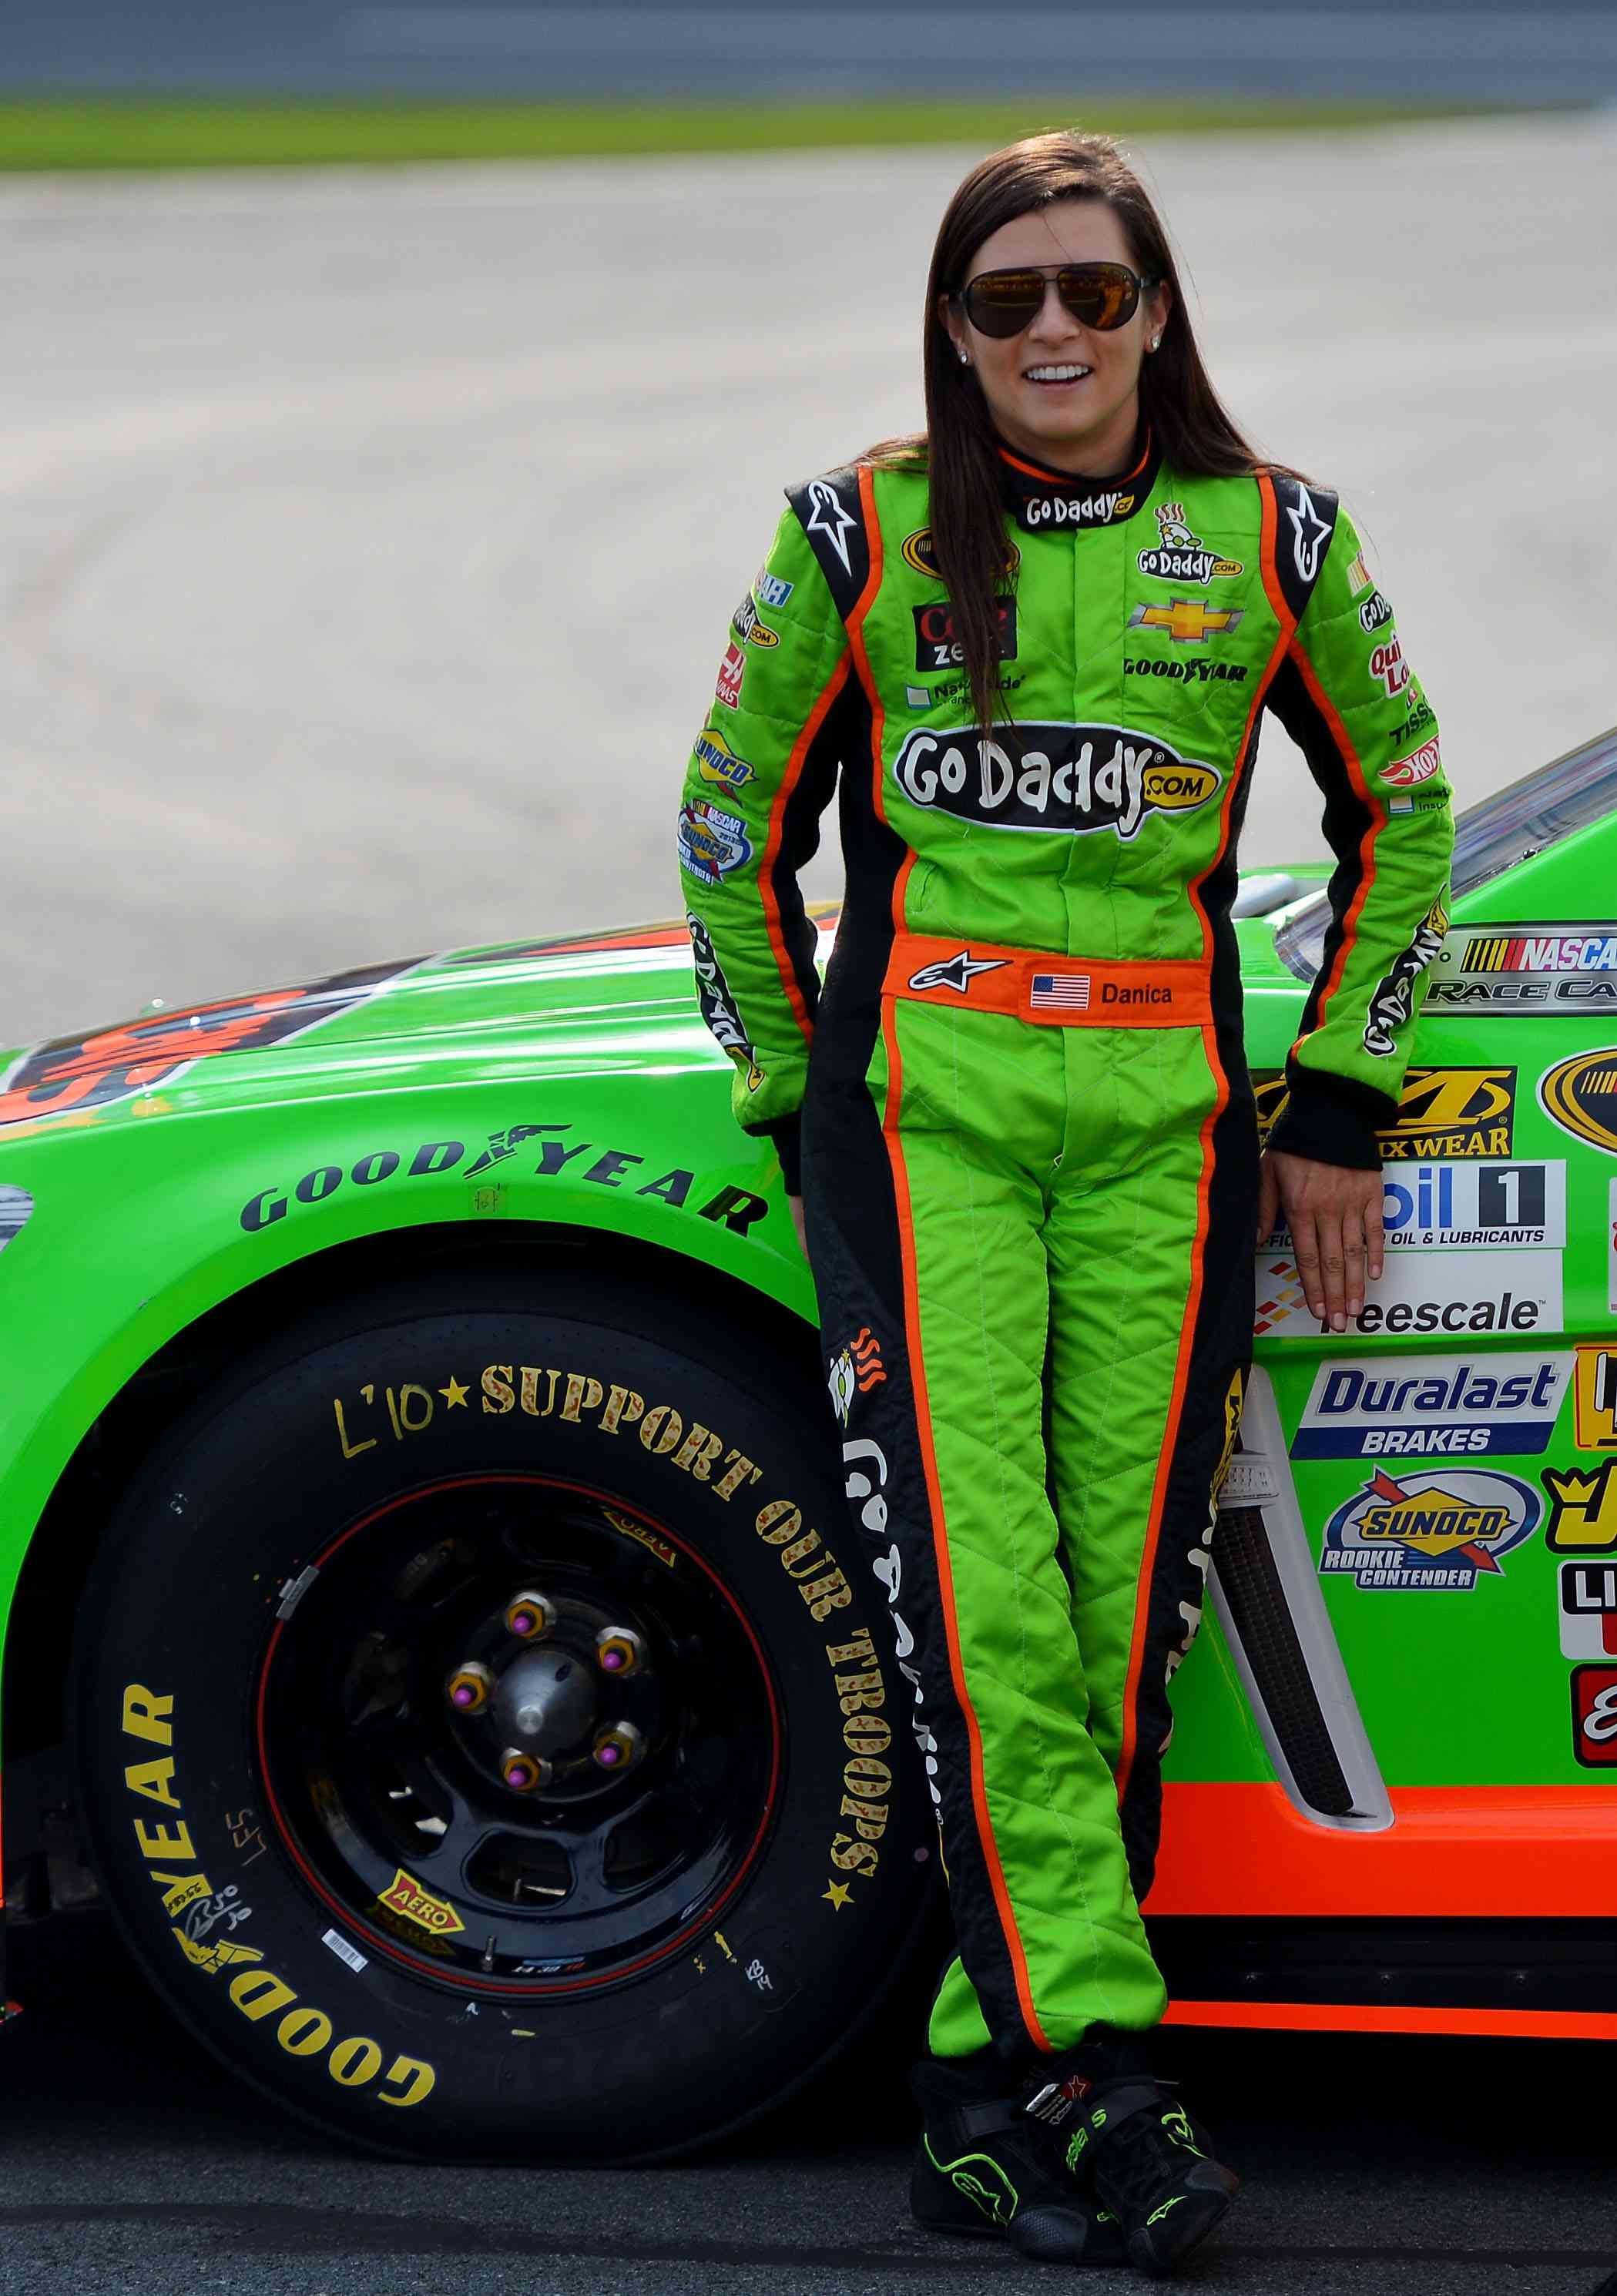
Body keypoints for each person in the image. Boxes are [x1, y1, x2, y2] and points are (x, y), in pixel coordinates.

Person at [676, 130, 1453, 2276]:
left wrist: (1341, 1097)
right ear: (951, 326)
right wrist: (791, 1091)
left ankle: (968, 2089)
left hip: (1169, 1134)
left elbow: (1404, 810)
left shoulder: (1276, 533)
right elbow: (729, 825)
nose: (1050, 332)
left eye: (1091, 294)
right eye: (1004, 296)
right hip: (926, 1121)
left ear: (1154, 312)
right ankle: (1109, 2073)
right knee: (985, 1605)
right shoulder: (855, 532)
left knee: (1114, 1628)